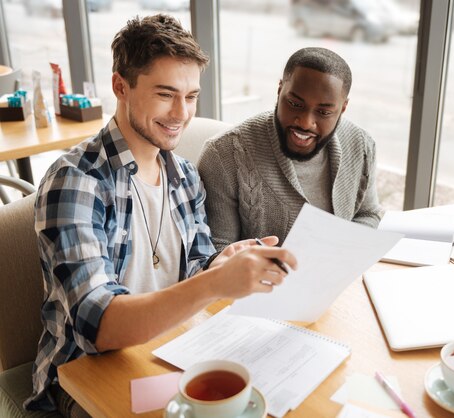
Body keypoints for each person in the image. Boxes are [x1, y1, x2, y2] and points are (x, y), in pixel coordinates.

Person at [25, 14, 296, 416]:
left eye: (191, 97)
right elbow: (99, 326)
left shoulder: (184, 175)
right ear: (121, 86)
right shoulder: (75, 183)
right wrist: (215, 284)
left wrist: (217, 266)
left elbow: (191, 274)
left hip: (167, 355)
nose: (181, 114)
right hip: (81, 381)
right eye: (165, 94)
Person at [198, 47, 382, 252]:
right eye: (295, 104)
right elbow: (217, 249)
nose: (305, 122)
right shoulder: (224, 155)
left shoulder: (362, 145)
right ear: (279, 90)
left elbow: (368, 214)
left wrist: (340, 253)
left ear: (343, 108)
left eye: (324, 112)